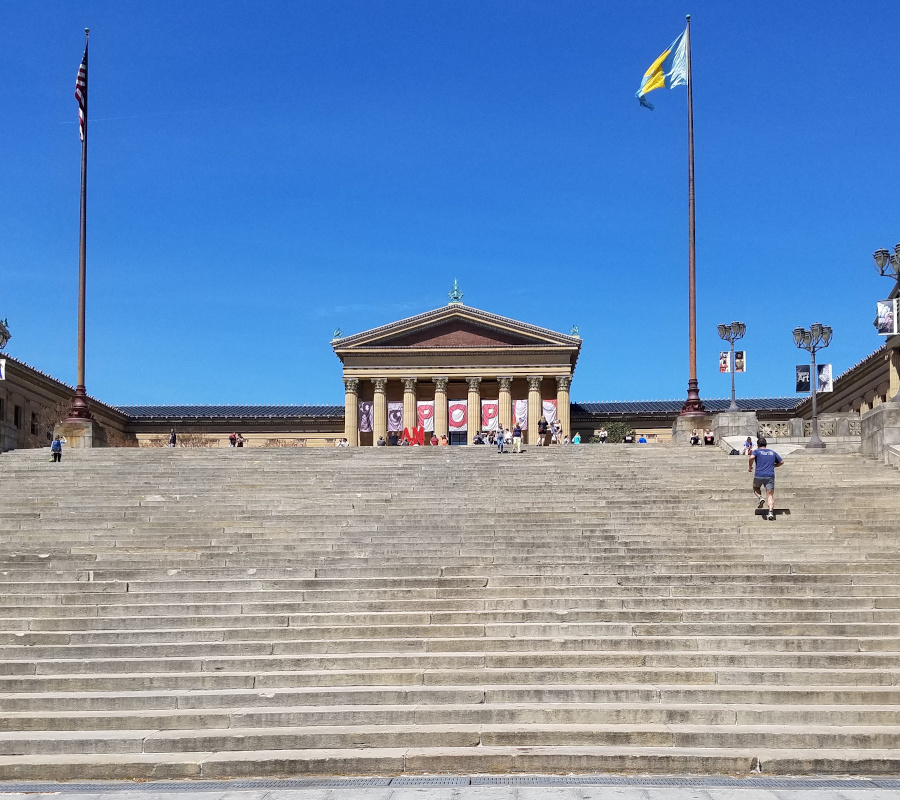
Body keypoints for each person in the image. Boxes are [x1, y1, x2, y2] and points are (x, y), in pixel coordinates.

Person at [749, 436, 783, 521]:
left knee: (756, 487)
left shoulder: (756, 451)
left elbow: (751, 457)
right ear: (766, 444)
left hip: (759, 474)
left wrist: (750, 467)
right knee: (770, 495)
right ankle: (770, 512)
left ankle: (760, 497)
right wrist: (774, 465)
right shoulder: (772, 452)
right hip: (770, 475)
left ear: (758, 445)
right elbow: (781, 462)